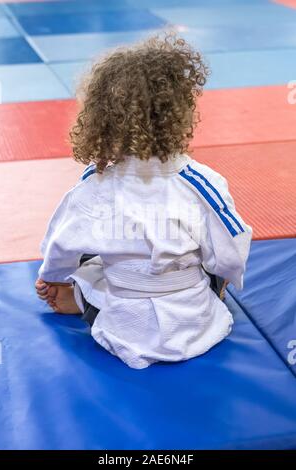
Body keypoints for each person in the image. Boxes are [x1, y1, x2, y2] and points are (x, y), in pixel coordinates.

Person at [36, 34, 252, 369]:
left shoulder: (94, 184)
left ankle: (77, 298)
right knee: (207, 249)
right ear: (180, 114)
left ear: (97, 119)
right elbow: (231, 253)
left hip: (121, 327)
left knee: (94, 253)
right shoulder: (199, 182)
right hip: (195, 324)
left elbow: (59, 245)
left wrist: (54, 277)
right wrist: (223, 280)